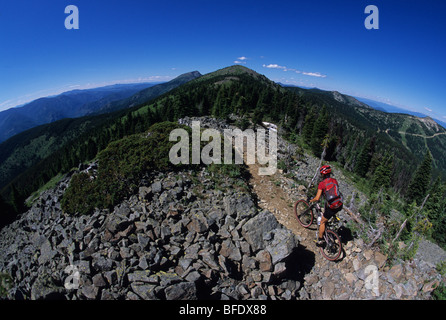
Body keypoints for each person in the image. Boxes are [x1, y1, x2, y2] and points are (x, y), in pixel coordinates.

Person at [309, 165, 343, 246]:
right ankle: (333, 219)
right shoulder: (334, 181)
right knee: (328, 211)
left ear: (322, 174)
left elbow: (317, 198)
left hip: (332, 206)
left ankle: (320, 240)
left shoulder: (322, 184)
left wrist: (311, 200)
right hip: (340, 204)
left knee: (322, 222)